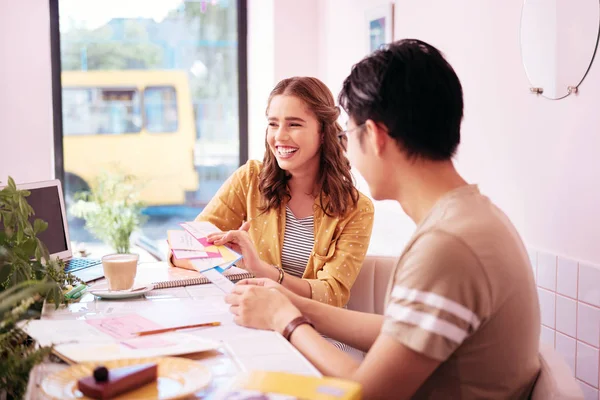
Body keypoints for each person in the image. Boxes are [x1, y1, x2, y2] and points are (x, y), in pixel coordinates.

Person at [223, 39, 541, 399]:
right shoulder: (473, 219)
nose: (346, 150)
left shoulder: (447, 248)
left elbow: (366, 393)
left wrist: (285, 320)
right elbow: (396, 330)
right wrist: (286, 300)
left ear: (374, 136)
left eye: (348, 136)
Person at [171, 76, 374, 308]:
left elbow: (331, 294)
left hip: (319, 329)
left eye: (294, 124)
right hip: (255, 320)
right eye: (273, 123)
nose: (279, 136)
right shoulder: (249, 180)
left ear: (322, 132)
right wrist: (228, 256)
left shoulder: (357, 208)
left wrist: (261, 269)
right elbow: (182, 251)